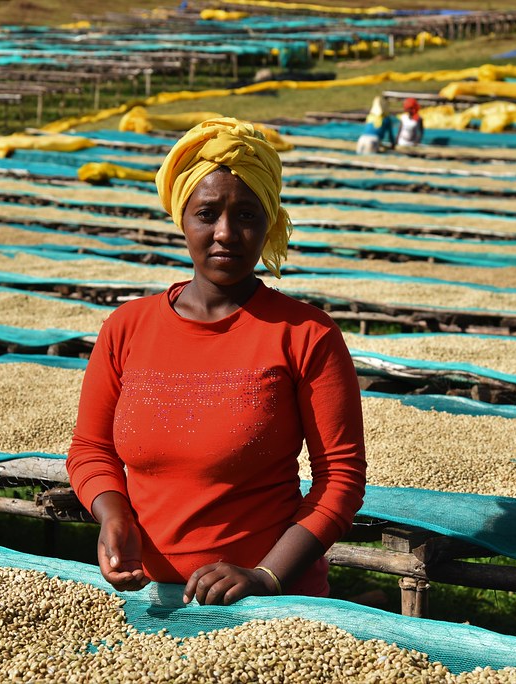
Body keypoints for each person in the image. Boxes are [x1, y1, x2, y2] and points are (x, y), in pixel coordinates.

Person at [66, 118, 367, 606]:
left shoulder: (306, 335)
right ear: (182, 219)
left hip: (270, 604)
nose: (225, 233)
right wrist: (113, 514)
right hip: (149, 599)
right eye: (207, 214)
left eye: (246, 215)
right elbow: (90, 449)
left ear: (268, 222)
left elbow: (340, 479)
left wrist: (266, 575)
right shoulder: (127, 327)